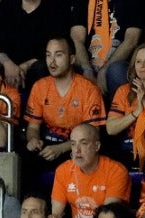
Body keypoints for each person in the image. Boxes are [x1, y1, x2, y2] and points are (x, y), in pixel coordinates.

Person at [49, 123, 133, 218]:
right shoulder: (63, 170)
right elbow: (57, 215)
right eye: (73, 144)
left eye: (83, 143)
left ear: (96, 146)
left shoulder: (116, 171)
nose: (77, 150)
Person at [26, 36, 105, 166]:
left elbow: (93, 133)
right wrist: (33, 139)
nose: (52, 62)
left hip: (75, 148)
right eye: (48, 55)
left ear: (72, 59)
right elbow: (33, 127)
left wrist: (60, 149)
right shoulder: (40, 86)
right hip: (47, 146)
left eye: (58, 55)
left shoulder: (89, 89)